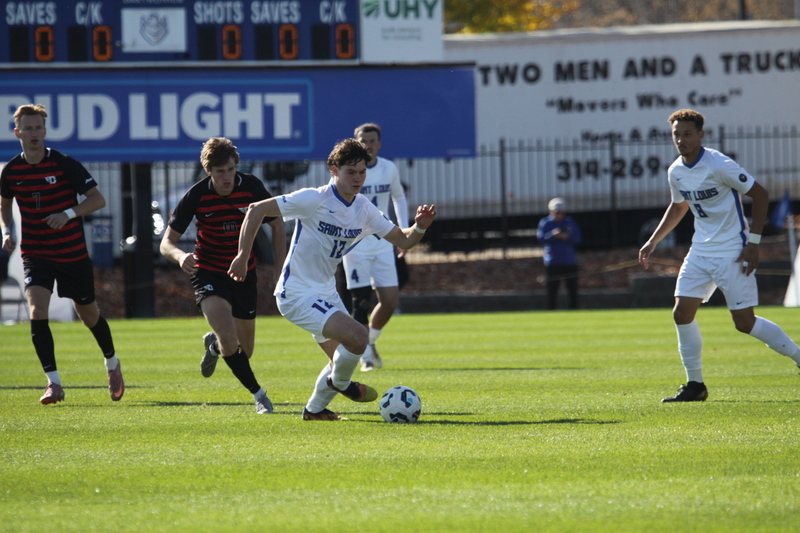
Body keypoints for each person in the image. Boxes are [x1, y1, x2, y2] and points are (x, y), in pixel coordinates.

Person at [229, 138, 436, 421]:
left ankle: (314, 410)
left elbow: (403, 239)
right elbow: (255, 210)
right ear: (333, 169)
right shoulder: (314, 199)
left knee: (339, 359)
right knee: (358, 337)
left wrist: (419, 227)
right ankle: (341, 384)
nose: (358, 178)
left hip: (325, 293)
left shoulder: (364, 208)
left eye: (362, 172)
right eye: (351, 172)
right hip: (297, 294)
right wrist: (242, 256)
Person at [639, 108, 800, 403]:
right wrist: (653, 241)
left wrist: (753, 243)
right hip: (700, 251)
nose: (681, 139)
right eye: (677, 134)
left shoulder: (718, 164)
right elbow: (678, 207)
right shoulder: (675, 170)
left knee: (744, 323)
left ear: (701, 135)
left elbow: (761, 194)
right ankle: (695, 384)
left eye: (687, 134)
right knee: (681, 312)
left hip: (732, 252)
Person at [0, 104, 123, 405]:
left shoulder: (64, 164)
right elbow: (4, 205)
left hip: (71, 254)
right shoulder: (12, 171)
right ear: (17, 132)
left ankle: (112, 363)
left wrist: (68, 213)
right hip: (36, 254)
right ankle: (53, 383)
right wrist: (7, 231)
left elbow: (98, 200)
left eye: (38, 128)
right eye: (28, 129)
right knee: (36, 310)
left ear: (44, 131)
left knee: (89, 315)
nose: (34, 134)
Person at [160, 137, 286, 414]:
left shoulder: (252, 187)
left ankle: (214, 346)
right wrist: (181, 256)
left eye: (230, 169)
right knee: (229, 338)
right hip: (208, 271)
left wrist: (279, 271)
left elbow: (278, 225)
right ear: (209, 171)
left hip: (244, 273)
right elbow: (166, 243)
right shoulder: (196, 195)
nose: (227, 176)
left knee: (244, 351)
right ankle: (259, 396)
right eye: (220, 171)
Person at [342, 123, 410, 371]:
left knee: (390, 301)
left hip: (382, 243)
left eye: (372, 141)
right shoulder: (348, 169)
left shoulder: (388, 168)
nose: (368, 145)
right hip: (355, 245)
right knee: (360, 301)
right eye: (363, 140)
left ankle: (369, 341)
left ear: (379, 144)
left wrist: (403, 232)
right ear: (356, 141)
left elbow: (398, 197)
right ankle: (364, 357)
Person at [537, 197, 582, 310]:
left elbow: (577, 238)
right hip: (553, 262)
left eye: (561, 213)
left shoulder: (569, 222)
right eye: (557, 213)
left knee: (572, 289)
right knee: (552, 290)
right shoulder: (545, 223)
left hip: (569, 261)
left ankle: (574, 310)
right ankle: (551, 311)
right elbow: (541, 239)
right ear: (551, 211)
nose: (559, 215)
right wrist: (553, 235)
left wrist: (566, 237)